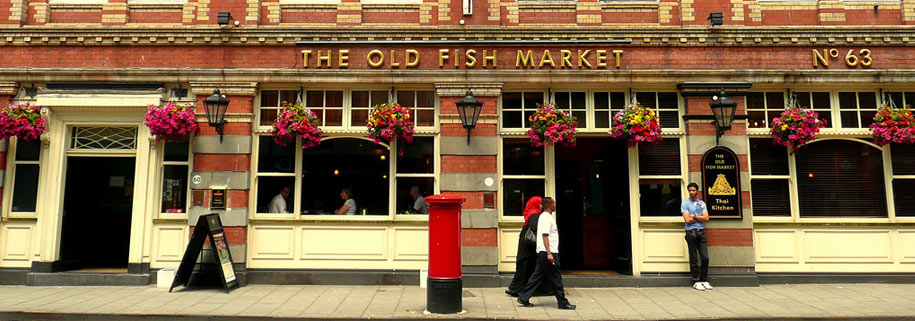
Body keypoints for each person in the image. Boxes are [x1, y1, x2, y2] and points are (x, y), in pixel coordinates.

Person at [517, 197, 576, 310]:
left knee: (537, 276)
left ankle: (523, 297)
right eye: (553, 203)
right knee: (556, 278)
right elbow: (545, 235)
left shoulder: (546, 217)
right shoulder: (546, 218)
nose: (555, 205)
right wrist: (549, 253)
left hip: (544, 252)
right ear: (549, 205)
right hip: (548, 252)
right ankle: (562, 302)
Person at [506, 196, 541, 297]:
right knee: (525, 265)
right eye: (539, 203)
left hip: (526, 243)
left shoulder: (530, 212)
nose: (541, 205)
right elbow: (534, 227)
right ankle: (515, 288)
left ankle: (517, 288)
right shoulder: (534, 214)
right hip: (529, 244)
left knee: (524, 265)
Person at [682, 182, 712, 291]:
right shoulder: (685, 204)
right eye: (689, 190)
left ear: (697, 191)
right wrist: (699, 217)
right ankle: (696, 280)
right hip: (691, 232)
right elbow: (687, 220)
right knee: (693, 257)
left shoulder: (702, 203)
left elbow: (706, 218)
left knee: (705, 257)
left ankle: (704, 280)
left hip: (701, 232)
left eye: (693, 190)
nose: (691, 192)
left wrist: (693, 216)